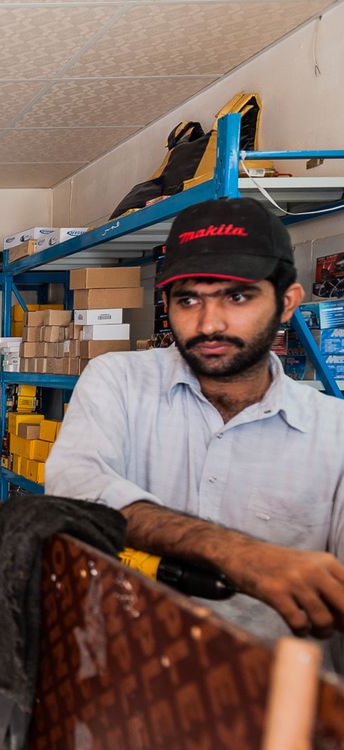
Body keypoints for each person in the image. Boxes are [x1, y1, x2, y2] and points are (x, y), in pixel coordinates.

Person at [47, 197, 344, 666]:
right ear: (166, 304)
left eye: (238, 296)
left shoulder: (335, 434)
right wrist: (235, 554)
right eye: (188, 299)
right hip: (121, 684)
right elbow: (77, 491)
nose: (209, 323)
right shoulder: (117, 379)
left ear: (287, 302)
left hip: (270, 706)